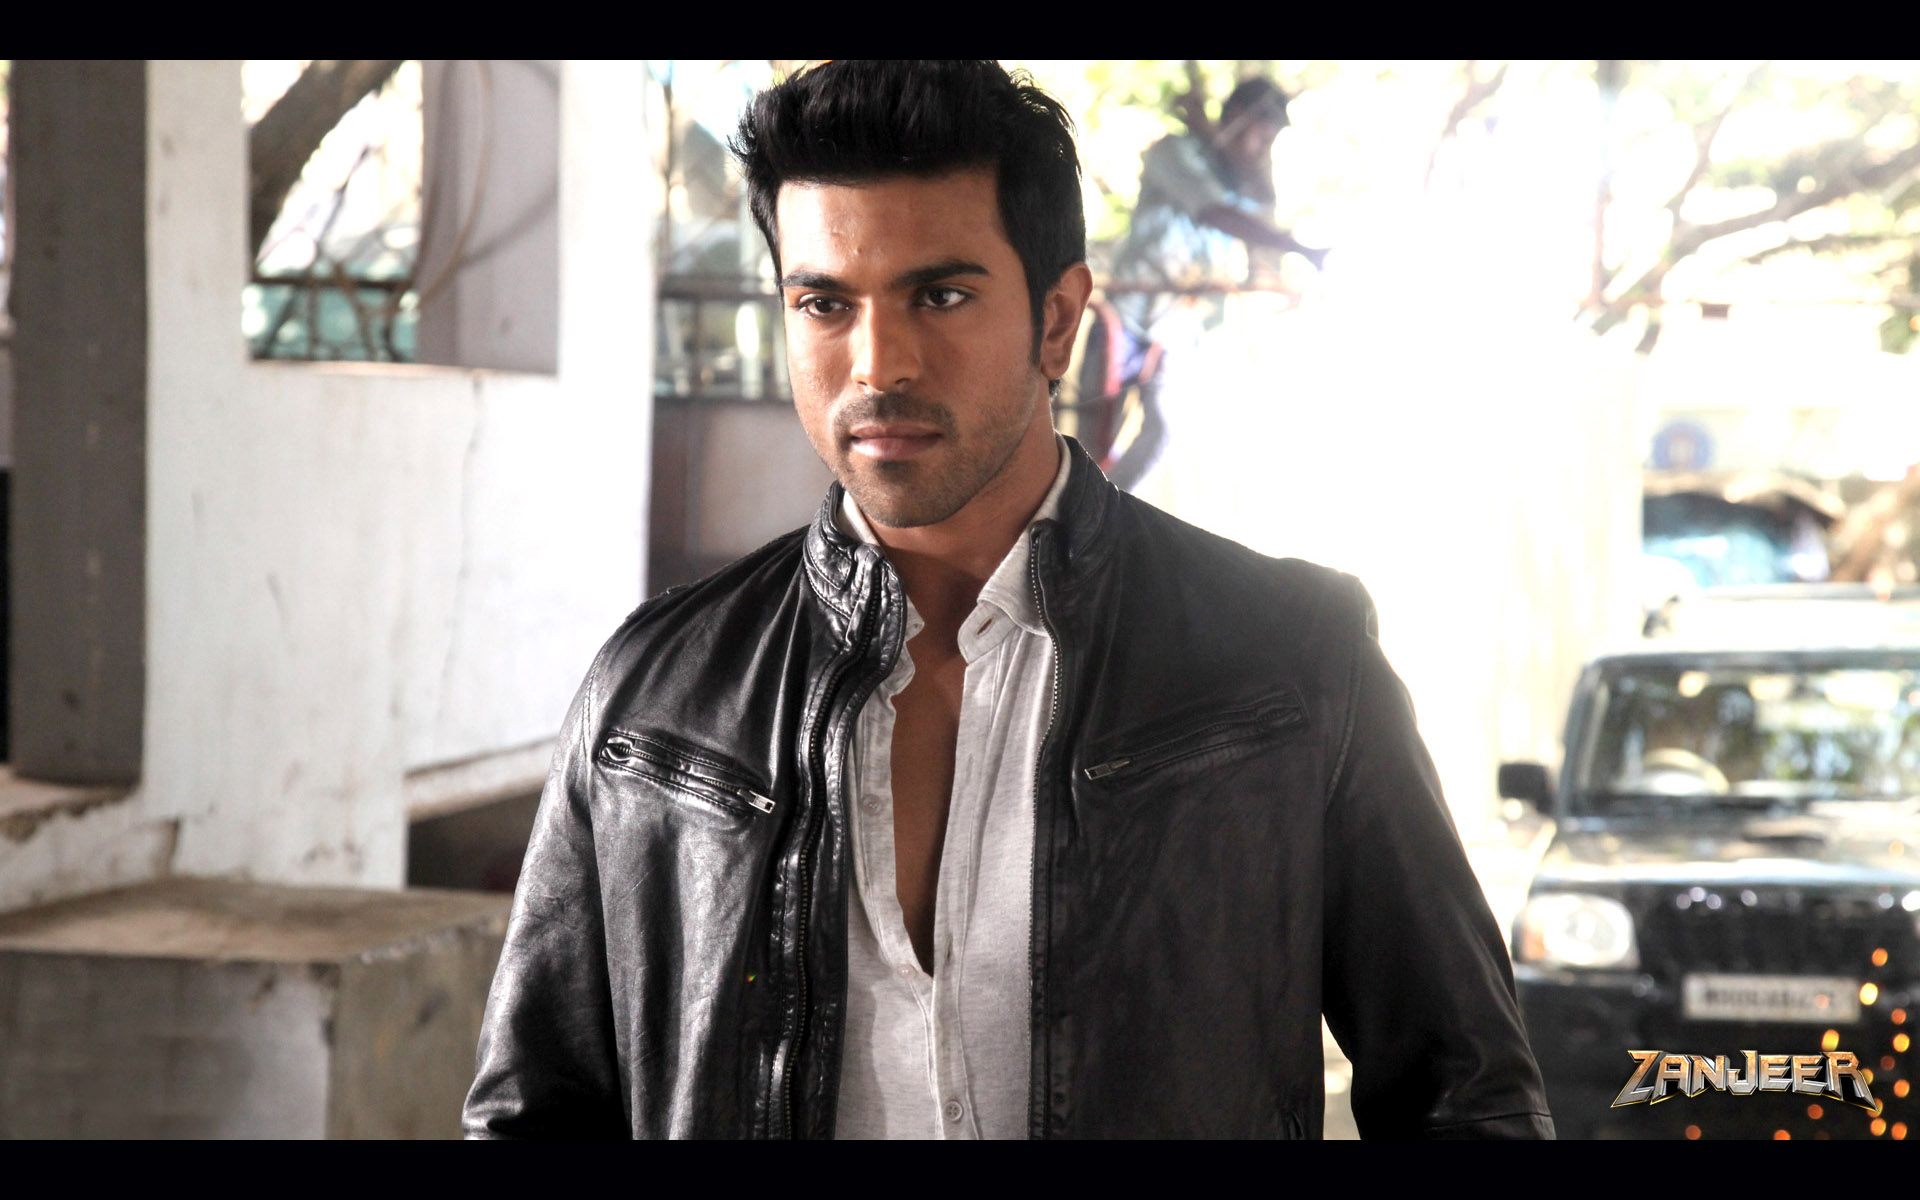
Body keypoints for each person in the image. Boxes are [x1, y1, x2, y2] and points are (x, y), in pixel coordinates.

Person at [463, 59, 1553, 1140]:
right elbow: (531, 1116)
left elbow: (1470, 1099)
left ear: (1057, 320)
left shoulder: (1291, 663)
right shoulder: (656, 694)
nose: (878, 364)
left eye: (940, 295)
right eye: (825, 303)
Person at [1098, 76, 1326, 492]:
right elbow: (1215, 212)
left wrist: (1222, 143)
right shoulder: (1174, 151)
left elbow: (1263, 203)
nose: (1263, 150)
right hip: (1127, 317)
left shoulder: (1240, 179)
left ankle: (1101, 511)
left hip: (1177, 329)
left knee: (1160, 433)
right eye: (1262, 137)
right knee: (1094, 434)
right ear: (1237, 116)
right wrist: (1297, 248)